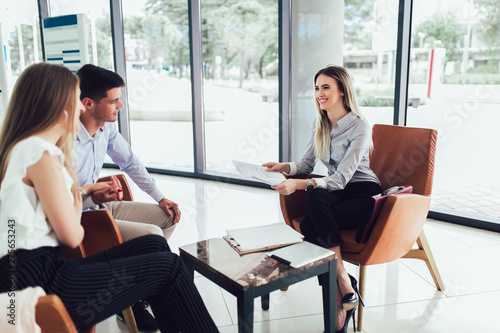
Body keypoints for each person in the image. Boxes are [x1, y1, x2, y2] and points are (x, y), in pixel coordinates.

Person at [0, 63, 218, 333]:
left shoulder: (24, 149)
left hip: (31, 271)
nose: (80, 109)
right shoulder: (42, 153)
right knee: (169, 267)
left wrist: (85, 191)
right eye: (75, 100)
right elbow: (72, 235)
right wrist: (82, 194)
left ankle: (147, 308)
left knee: (154, 245)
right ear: (58, 104)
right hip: (43, 280)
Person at [263, 65, 381, 333]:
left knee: (309, 226)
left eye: (326, 87)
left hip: (362, 193)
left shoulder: (360, 126)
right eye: (317, 88)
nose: (319, 93)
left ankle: (340, 279)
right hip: (336, 193)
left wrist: (300, 183)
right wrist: (283, 167)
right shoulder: (321, 124)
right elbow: (306, 162)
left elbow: (341, 178)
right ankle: (344, 284)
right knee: (315, 203)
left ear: (342, 90)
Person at [74, 63, 180, 243]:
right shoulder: (65, 143)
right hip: (77, 216)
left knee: (168, 217)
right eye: (113, 101)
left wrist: (160, 197)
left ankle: (141, 262)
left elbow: (130, 163)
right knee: (152, 235)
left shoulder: (107, 129)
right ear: (88, 103)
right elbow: (61, 203)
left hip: (98, 205)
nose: (121, 106)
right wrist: (92, 197)